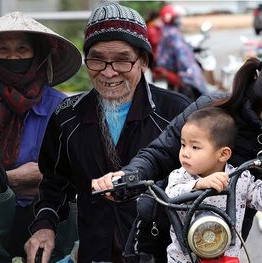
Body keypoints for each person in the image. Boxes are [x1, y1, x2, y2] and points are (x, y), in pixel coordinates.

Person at [95, 52, 262, 260]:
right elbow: (159, 154)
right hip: (164, 239)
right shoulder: (212, 110)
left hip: (221, 248)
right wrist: (129, 175)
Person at [24, 3, 192, 263]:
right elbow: (55, 183)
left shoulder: (175, 113)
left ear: (143, 61)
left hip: (162, 254)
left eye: (123, 60)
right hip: (95, 251)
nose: (108, 71)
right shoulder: (67, 117)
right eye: (97, 59)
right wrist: (44, 226)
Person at [0, 12, 81, 262]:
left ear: (38, 55)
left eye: (22, 49)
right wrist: (11, 179)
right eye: (3, 49)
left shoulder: (62, 106)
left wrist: (42, 178)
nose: (13, 56)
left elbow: (75, 174)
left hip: (47, 218)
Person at [165, 107, 262, 262]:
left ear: (223, 154)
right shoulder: (181, 176)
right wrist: (197, 184)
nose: (185, 153)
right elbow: (168, 198)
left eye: (195, 147)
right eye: (183, 144)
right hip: (184, 258)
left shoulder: (239, 178)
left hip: (225, 257)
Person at [153, 4, 208, 100]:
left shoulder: (167, 29)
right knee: (195, 75)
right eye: (176, 17)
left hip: (168, 66)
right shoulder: (172, 32)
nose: (179, 19)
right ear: (169, 18)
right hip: (177, 69)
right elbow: (181, 54)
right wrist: (188, 70)